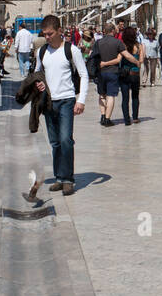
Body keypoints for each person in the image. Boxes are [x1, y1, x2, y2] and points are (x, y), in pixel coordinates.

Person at [34, 14, 88, 194]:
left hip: (66, 100)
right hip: (49, 101)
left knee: (66, 139)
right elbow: (37, 73)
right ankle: (59, 177)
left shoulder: (71, 50)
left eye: (50, 34)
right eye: (44, 34)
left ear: (59, 31)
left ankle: (68, 179)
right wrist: (38, 82)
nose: (47, 37)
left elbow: (84, 75)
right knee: (55, 142)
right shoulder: (41, 52)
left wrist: (81, 100)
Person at [95, 23, 124, 126]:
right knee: (111, 95)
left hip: (101, 72)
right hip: (113, 72)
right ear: (112, 31)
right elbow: (119, 59)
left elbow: (95, 58)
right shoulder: (118, 42)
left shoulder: (98, 42)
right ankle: (107, 119)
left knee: (102, 94)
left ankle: (103, 115)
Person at [118, 26, 144, 125]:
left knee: (125, 98)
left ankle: (126, 120)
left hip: (125, 74)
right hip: (135, 74)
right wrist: (137, 61)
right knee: (135, 96)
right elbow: (141, 60)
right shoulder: (139, 46)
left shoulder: (122, 46)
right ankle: (136, 117)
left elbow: (119, 59)